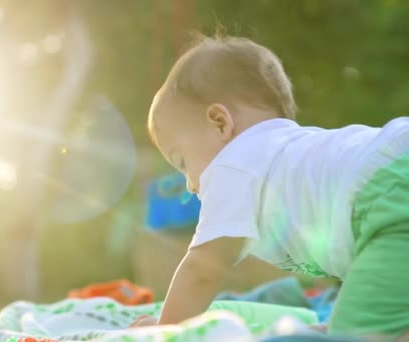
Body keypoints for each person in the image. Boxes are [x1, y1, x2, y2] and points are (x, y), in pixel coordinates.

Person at [132, 34, 409, 340]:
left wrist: (164, 330)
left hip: (391, 194)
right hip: (395, 166)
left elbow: (202, 268)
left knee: (355, 335)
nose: (190, 184)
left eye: (182, 161)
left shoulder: (233, 164)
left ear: (219, 122)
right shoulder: (290, 155)